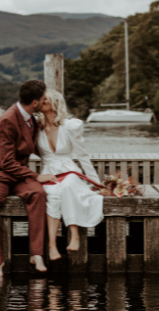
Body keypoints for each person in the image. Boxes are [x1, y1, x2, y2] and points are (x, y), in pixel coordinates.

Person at [0, 80, 57, 279]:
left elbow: (38, 148)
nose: (45, 101)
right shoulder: (7, 121)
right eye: (43, 99)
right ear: (35, 102)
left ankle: (36, 254)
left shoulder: (32, 119)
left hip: (19, 174)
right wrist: (37, 176)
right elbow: (6, 162)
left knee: (38, 193)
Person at [35, 90, 103, 261]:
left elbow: (82, 155)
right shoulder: (36, 128)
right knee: (52, 194)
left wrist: (96, 182)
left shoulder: (70, 126)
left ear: (56, 104)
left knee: (67, 186)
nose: (42, 101)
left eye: (45, 99)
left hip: (69, 169)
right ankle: (52, 245)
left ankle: (75, 235)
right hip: (48, 171)